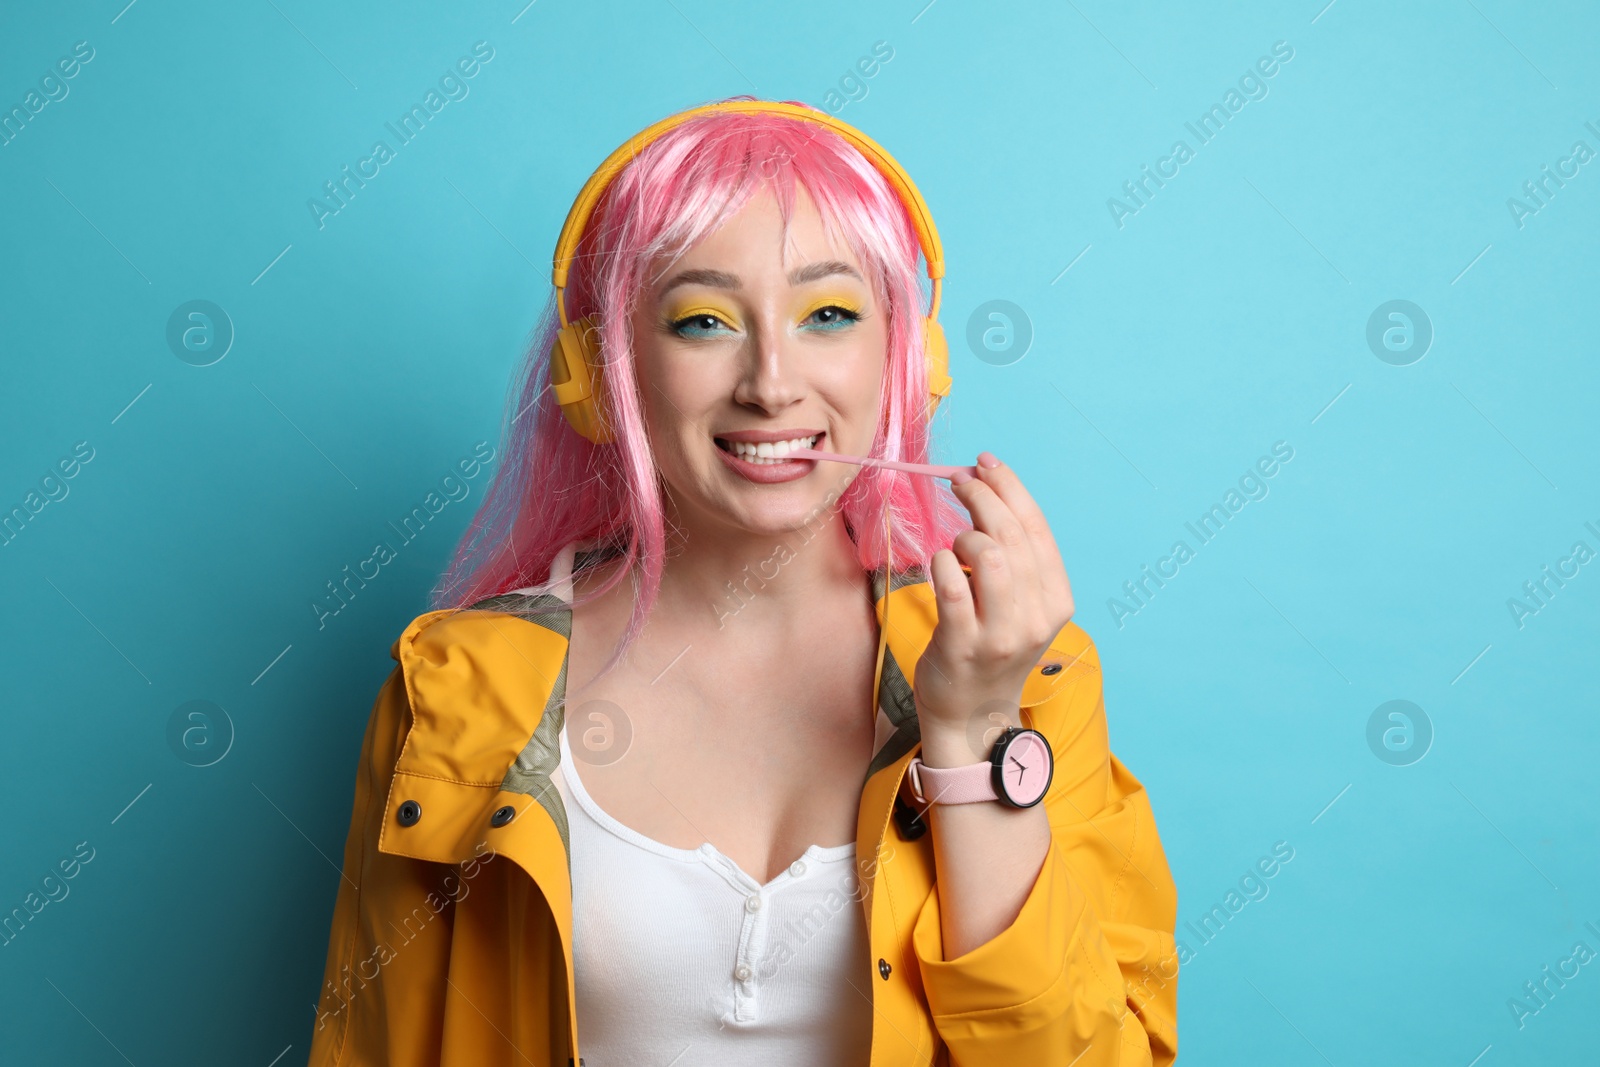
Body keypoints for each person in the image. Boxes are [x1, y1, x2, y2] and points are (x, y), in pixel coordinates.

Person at [305, 96, 1178, 1067]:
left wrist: (975, 730)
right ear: (603, 373)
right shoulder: (456, 692)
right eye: (704, 319)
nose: (771, 381)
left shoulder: (1030, 678)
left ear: (907, 360)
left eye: (828, 313)